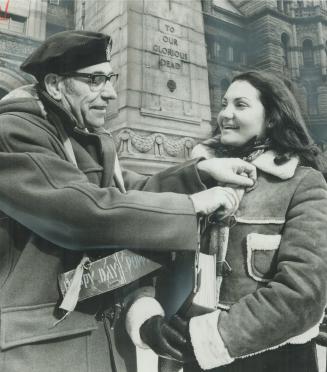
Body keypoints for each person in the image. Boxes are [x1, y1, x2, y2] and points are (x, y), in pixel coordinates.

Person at [0, 30, 256, 372]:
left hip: (98, 341)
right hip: (40, 350)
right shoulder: (16, 133)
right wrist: (192, 205)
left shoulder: (81, 135)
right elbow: (83, 213)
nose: (110, 93)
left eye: (110, 78)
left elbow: (131, 194)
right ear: (55, 85)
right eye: (95, 80)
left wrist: (202, 173)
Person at [131, 70, 327, 372]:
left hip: (271, 360)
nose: (226, 114)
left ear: (272, 117)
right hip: (190, 356)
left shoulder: (302, 183)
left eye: (241, 105)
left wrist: (208, 336)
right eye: (224, 104)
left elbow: (303, 293)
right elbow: (149, 248)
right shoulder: (198, 176)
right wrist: (147, 313)